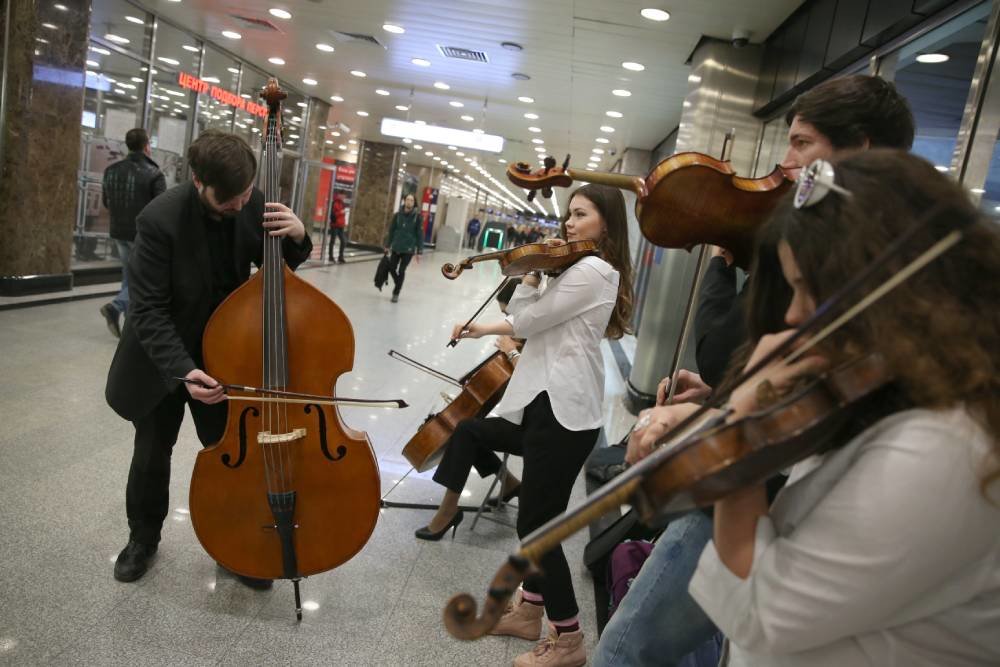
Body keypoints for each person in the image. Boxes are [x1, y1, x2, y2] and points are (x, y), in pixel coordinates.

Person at [593, 73, 916, 667]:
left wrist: (723, 408)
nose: (784, 162)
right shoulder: (823, 244)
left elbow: (812, 395)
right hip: (762, 482)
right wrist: (715, 397)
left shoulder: (872, 264)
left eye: (802, 143)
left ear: (862, 151)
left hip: (774, 491)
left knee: (625, 652)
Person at [690, 149, 1000, 666]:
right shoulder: (906, 392)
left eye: (809, 289)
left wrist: (738, 432)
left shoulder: (947, 446)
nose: (793, 315)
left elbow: (763, 615)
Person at [420, 184, 634, 666]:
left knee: (538, 525)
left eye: (581, 215)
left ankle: (569, 640)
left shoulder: (596, 270)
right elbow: (535, 322)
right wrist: (527, 285)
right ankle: (529, 613)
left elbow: (531, 321)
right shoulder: (576, 267)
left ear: (607, 223)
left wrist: (529, 280)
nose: (569, 225)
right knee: (540, 517)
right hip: (547, 402)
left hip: (565, 410)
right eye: (569, 216)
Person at [104, 131, 312, 586]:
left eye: (246, 194)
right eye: (230, 199)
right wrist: (184, 370)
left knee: (228, 457)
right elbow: (149, 312)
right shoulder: (158, 220)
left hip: (224, 357)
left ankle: (232, 544)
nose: (242, 205)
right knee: (151, 453)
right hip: (163, 360)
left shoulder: (250, 202)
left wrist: (298, 237)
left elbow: (278, 271)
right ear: (199, 182)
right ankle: (142, 538)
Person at [99, 128, 166, 338]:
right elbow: (160, 208)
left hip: (118, 230)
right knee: (139, 278)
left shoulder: (111, 170)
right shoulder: (154, 173)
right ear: (147, 145)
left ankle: (130, 324)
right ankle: (116, 306)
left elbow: (105, 202)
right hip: (141, 234)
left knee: (128, 275)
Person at [384, 193, 422, 303]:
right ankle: (399, 283)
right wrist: (387, 245)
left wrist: (419, 251)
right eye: (408, 200)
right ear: (404, 201)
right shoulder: (397, 215)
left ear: (414, 203)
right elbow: (391, 231)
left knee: (401, 270)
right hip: (396, 246)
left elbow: (420, 234)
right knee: (391, 267)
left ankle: (396, 293)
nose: (409, 202)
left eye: (411, 200)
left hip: (408, 249)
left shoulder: (417, 217)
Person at [328, 193, 347, 263]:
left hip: (341, 225)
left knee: (343, 241)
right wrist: (341, 212)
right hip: (335, 225)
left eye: (344, 196)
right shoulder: (334, 203)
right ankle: (330, 256)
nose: (343, 197)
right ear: (339, 195)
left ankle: (340, 257)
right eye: (343, 195)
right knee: (332, 241)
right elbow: (333, 214)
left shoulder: (342, 204)